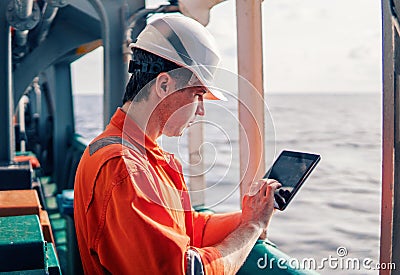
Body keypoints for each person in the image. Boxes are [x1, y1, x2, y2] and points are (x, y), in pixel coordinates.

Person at [74, 14, 281, 275]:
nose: (201, 111)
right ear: (163, 85)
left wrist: (250, 215)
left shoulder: (140, 154)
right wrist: (250, 230)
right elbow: (188, 270)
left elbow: (187, 228)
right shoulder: (125, 168)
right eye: (197, 95)